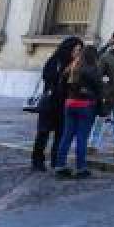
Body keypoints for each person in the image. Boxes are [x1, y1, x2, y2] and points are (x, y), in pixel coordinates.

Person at [31, 36, 82, 172]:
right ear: (68, 49)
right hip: (50, 103)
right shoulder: (55, 61)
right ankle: (37, 161)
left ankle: (56, 161)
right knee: (43, 133)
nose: (77, 53)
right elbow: (47, 77)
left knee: (61, 134)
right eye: (76, 50)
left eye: (79, 50)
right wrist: (64, 73)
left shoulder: (77, 64)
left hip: (65, 104)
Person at [53, 43, 102, 178]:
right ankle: (81, 168)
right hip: (86, 106)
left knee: (66, 136)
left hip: (69, 104)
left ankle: (59, 166)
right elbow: (99, 90)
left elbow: (61, 85)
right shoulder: (93, 69)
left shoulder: (72, 67)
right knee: (82, 138)